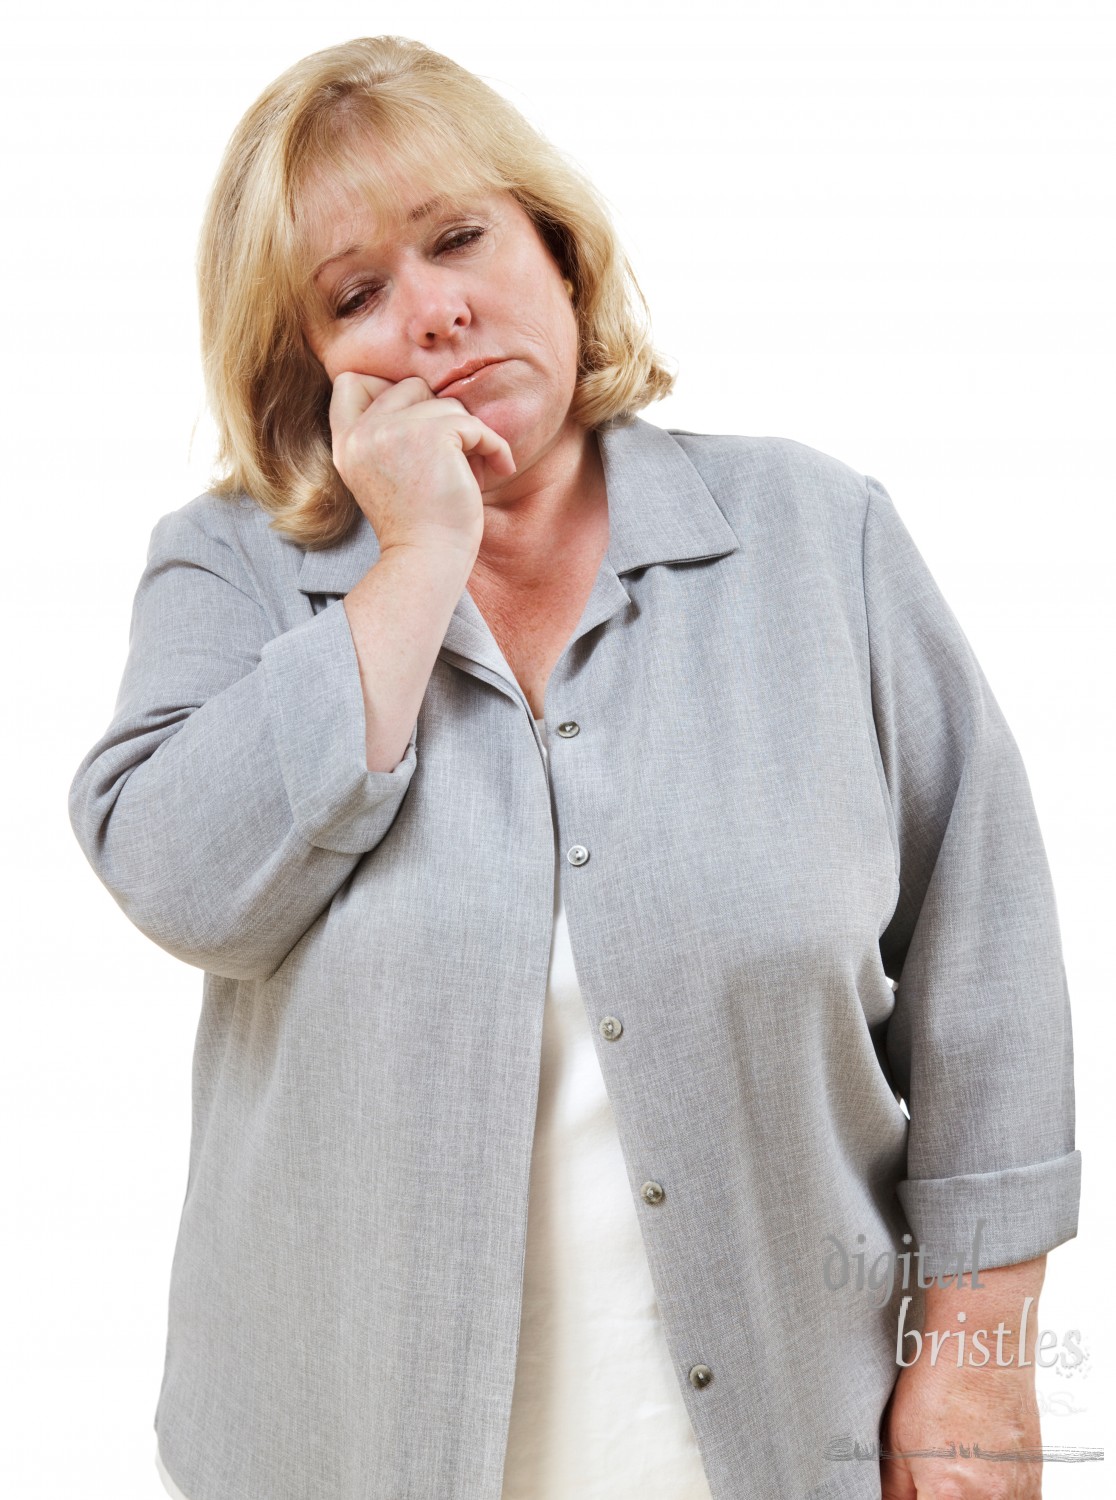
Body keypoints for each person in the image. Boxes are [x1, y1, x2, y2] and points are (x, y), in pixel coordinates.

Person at [67, 34, 1080, 1500]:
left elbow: (993, 981)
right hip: (344, 1454)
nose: (433, 311)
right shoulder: (231, 572)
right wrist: (412, 562)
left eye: (459, 237)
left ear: (555, 244)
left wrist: (977, 1369)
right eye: (356, 295)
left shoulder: (817, 537)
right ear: (309, 369)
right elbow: (174, 879)